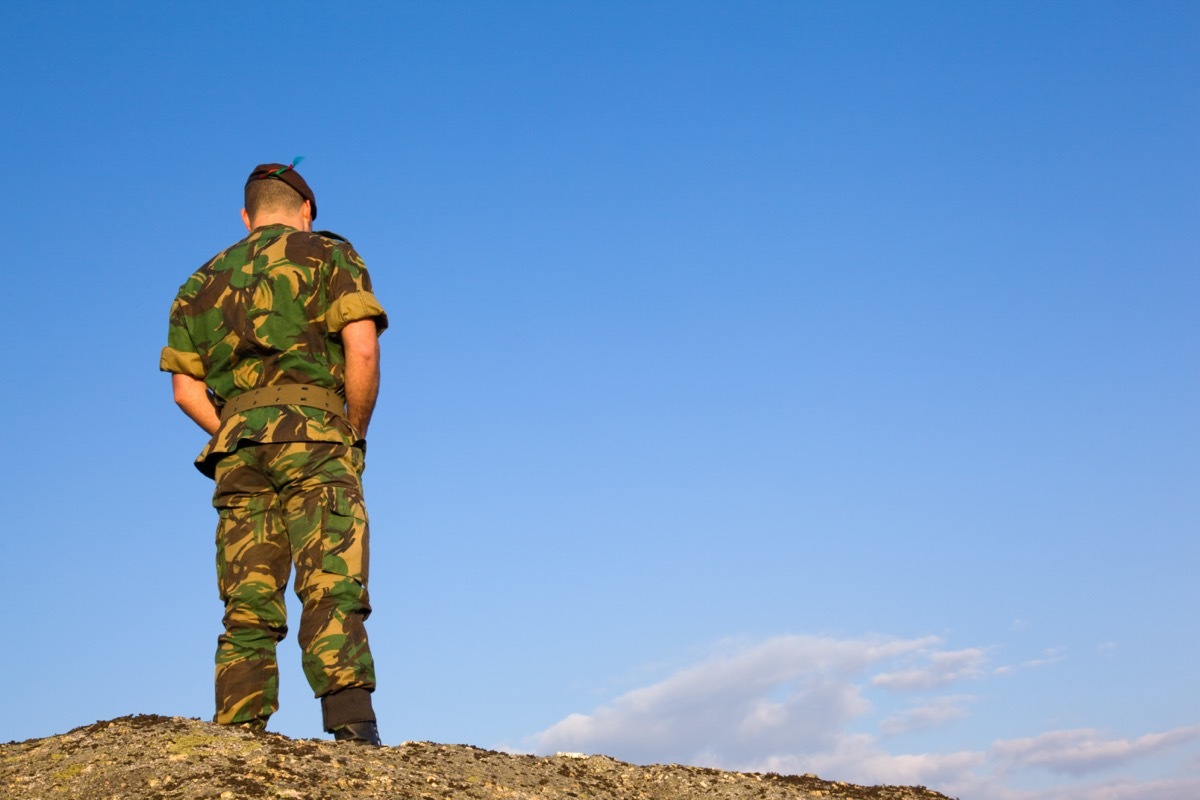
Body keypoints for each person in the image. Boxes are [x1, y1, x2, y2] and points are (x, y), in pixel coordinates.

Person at [160, 161, 387, 745]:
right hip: (317, 438)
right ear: (306, 210)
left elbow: (185, 391)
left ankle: (238, 736)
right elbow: (361, 351)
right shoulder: (330, 256)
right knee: (330, 581)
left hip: (238, 450)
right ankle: (352, 730)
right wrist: (352, 432)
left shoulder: (198, 283)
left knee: (247, 599)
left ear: (246, 216)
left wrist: (239, 425)